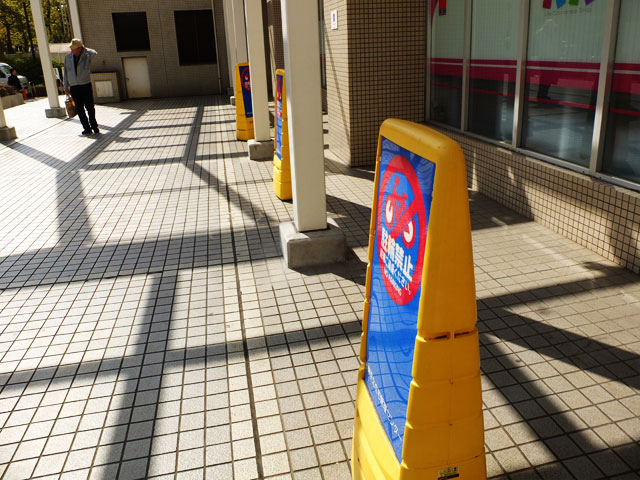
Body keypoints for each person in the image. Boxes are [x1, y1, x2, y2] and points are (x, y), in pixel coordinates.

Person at [63, 38, 99, 135]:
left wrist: (85, 49)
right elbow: (65, 72)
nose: (72, 50)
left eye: (74, 48)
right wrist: (66, 86)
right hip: (74, 86)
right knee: (79, 109)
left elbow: (94, 52)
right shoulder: (68, 57)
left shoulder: (87, 55)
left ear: (80, 48)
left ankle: (94, 126)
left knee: (90, 107)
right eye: (71, 48)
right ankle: (86, 128)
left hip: (85, 85)